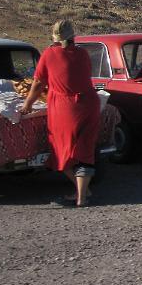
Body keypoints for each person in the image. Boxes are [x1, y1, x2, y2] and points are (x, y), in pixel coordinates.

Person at [20, 20, 101, 208]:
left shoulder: (49, 54)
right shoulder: (83, 54)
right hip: (90, 103)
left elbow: (38, 84)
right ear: (73, 36)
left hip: (66, 107)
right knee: (85, 149)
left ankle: (81, 194)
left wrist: (27, 104)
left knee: (61, 151)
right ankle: (83, 194)